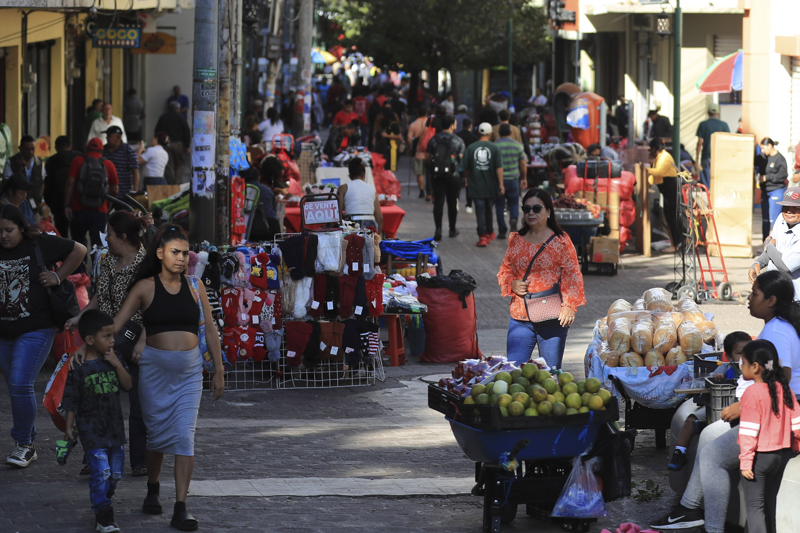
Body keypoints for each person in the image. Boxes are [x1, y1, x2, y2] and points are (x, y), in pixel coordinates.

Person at [652, 270, 800, 533]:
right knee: (709, 435)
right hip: (773, 412)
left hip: (773, 418)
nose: (748, 298)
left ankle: (713, 526)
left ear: (771, 300)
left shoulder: (777, 330)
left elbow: (781, 378)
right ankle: (688, 508)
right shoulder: (777, 325)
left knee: (711, 455)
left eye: (755, 294)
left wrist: (743, 407)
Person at [112, 224, 224, 531]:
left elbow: (211, 330)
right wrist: (90, 344)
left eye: (186, 253)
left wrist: (218, 369)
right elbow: (116, 325)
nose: (182, 258)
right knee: (157, 436)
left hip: (189, 371)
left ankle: (181, 507)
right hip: (154, 370)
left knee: (184, 436)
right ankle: (152, 487)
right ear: (160, 253)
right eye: (175, 252)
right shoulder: (144, 287)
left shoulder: (194, 285)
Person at [0, 204, 86, 468]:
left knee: (19, 382)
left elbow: (79, 250)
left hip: (36, 328)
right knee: (15, 388)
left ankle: (24, 444)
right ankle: (28, 438)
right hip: (4, 332)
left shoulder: (38, 244)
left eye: (9, 230)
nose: (4, 235)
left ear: (22, 228)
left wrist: (58, 276)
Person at [66, 211, 150, 478]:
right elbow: (98, 296)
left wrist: (143, 341)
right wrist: (82, 316)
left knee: (137, 402)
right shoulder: (106, 259)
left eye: (110, 235)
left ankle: (140, 460)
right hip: (106, 336)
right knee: (98, 398)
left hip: (132, 335)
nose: (106, 239)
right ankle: (94, 453)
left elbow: (152, 307)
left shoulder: (146, 263)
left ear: (123, 237)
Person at [496, 188, 585, 368]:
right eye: (526, 209)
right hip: (520, 316)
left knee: (550, 376)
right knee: (514, 373)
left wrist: (569, 306)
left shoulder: (561, 241)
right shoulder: (516, 240)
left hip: (552, 318)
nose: (531, 213)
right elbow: (504, 270)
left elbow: (572, 274)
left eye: (536, 208)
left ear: (548, 211)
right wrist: (511, 284)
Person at [62, 309, 132, 533]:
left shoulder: (114, 358)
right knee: (101, 472)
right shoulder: (79, 366)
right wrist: (68, 427)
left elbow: (128, 385)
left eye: (113, 335)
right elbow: (71, 399)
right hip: (91, 430)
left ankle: (104, 496)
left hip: (114, 428)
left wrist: (117, 364)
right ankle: (103, 514)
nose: (112, 340)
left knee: (116, 474)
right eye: (107, 336)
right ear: (90, 340)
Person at [737, 339, 800, 533]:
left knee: (755, 508)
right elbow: (797, 421)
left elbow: (748, 431)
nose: (741, 366)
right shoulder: (784, 389)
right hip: (780, 456)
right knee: (769, 503)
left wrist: (745, 461)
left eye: (743, 363)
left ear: (755, 367)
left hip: (759, 459)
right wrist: (797, 444)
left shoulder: (752, 392)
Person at [668, 331, 750, 471]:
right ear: (729, 356)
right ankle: (680, 451)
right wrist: (718, 376)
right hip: (719, 406)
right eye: (739, 353)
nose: (744, 358)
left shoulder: (754, 368)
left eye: (748, 352)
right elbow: (711, 379)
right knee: (691, 419)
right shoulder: (725, 368)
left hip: (742, 410)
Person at [64, 137, 119, 254]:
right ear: (102, 150)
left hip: (78, 209)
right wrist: (108, 203)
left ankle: (79, 271)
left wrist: (67, 205)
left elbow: (70, 183)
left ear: (86, 149)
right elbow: (115, 189)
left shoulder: (77, 160)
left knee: (78, 244)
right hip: (100, 210)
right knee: (99, 246)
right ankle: (97, 271)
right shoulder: (108, 164)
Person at [750, 187, 800, 298]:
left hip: (795, 298)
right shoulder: (781, 219)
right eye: (786, 207)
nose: (789, 211)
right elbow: (772, 249)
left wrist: (768, 245)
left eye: (795, 208)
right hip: (775, 293)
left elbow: (785, 265)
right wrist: (758, 263)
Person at [464, 122, 503, 247]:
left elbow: (465, 167)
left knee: (480, 210)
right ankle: (489, 232)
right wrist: (501, 184)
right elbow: (499, 168)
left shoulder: (471, 147)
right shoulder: (495, 148)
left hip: (475, 185)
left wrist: (467, 178)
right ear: (490, 134)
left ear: (478, 133)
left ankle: (482, 236)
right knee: (488, 210)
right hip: (491, 186)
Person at [426, 115, 465, 241]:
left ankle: (438, 229)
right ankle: (452, 229)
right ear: (452, 125)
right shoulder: (458, 140)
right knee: (452, 202)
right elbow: (461, 159)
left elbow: (427, 157)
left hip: (437, 175)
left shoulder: (434, 139)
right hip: (453, 175)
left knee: (438, 201)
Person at [646, 138, 681, 252]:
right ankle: (681, 240)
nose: (649, 151)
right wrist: (646, 186)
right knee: (670, 215)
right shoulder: (658, 158)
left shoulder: (665, 157)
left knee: (671, 216)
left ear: (655, 148)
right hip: (665, 189)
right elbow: (653, 176)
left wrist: (644, 169)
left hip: (670, 188)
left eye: (650, 149)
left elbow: (659, 172)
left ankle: (675, 245)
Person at [495, 123, 527, 239]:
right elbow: (523, 164)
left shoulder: (495, 146)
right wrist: (523, 178)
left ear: (498, 133)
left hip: (499, 181)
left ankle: (502, 231)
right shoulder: (518, 146)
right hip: (514, 179)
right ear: (511, 133)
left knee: (499, 206)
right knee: (514, 203)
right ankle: (513, 219)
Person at [44, 136, 79, 237]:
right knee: (78, 237)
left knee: (61, 235)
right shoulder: (78, 158)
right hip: (77, 204)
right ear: (70, 146)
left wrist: (51, 204)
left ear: (55, 148)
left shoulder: (51, 161)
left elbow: (46, 185)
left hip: (57, 204)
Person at [337, 157, 383, 233]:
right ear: (364, 174)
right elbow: (380, 218)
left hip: (352, 224)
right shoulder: (371, 189)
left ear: (350, 176)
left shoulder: (343, 188)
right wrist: (379, 236)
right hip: (370, 225)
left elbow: (338, 212)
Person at [3, 135, 45, 213]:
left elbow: (43, 182)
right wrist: (19, 169)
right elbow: (8, 184)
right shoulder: (11, 162)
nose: (31, 152)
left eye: (33, 149)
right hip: (16, 205)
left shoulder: (39, 162)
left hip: (34, 205)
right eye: (27, 149)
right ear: (20, 149)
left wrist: (38, 197)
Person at [154, 101, 191, 184]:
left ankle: (170, 184)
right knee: (180, 164)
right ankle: (178, 184)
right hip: (178, 144)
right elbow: (186, 132)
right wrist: (187, 146)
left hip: (166, 144)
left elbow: (157, 131)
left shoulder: (163, 117)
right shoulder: (181, 118)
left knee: (168, 165)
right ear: (178, 108)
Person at [695, 103, 730, 189]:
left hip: (706, 156)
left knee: (706, 183)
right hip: (720, 157)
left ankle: (707, 199)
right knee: (718, 180)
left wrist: (697, 159)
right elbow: (728, 141)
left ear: (708, 112)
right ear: (718, 112)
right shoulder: (724, 125)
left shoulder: (703, 124)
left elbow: (700, 142)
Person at [759, 137, 788, 235]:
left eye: (763, 148)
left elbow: (783, 175)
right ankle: (765, 245)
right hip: (765, 192)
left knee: (774, 219)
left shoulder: (780, 159)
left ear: (770, 146)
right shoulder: (763, 157)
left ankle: (777, 244)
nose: (762, 151)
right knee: (765, 220)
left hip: (776, 191)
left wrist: (767, 177)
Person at [103, 125, 140, 198]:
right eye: (107, 135)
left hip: (124, 194)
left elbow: (135, 171)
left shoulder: (128, 150)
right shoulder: (103, 150)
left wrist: (135, 190)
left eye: (109, 136)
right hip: (106, 194)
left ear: (118, 137)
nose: (107, 138)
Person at [408, 107, 429, 199]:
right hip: (429, 151)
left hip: (418, 152)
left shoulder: (413, 124)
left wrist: (410, 148)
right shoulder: (430, 124)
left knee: (419, 173)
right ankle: (430, 191)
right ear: (426, 114)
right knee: (429, 173)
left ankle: (421, 191)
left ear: (417, 114)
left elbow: (409, 138)